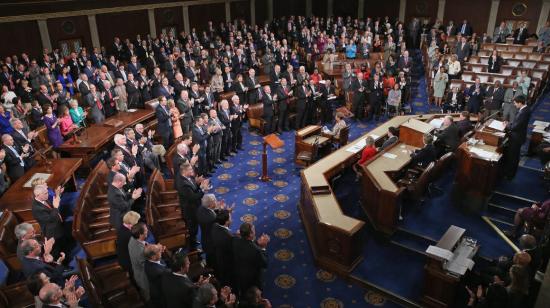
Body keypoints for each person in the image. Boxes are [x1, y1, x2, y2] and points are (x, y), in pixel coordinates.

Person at [177, 162, 210, 248]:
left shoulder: (187, 177)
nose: (192, 170)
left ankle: (194, 240)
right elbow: (193, 197)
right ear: (184, 171)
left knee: (194, 227)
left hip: (193, 206)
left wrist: (199, 184)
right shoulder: (183, 184)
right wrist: (203, 190)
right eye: (190, 169)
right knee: (193, 228)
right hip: (190, 210)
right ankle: (192, 247)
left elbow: (193, 189)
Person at [232, 222, 269, 296]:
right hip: (253, 278)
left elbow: (246, 244)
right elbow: (264, 263)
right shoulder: (256, 251)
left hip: (239, 274)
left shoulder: (235, 240)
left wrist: (256, 243)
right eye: (254, 230)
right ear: (251, 234)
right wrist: (263, 247)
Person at [503, 96, 531, 179]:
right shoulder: (524, 109)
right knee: (513, 156)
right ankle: (509, 172)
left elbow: (516, 127)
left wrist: (507, 125)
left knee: (513, 157)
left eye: (515, 103)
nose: (514, 105)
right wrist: (509, 123)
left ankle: (510, 175)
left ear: (520, 103)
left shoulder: (524, 112)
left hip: (516, 138)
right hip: (517, 136)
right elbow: (517, 122)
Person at [144, 244, 171, 308]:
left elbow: (165, 264)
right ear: (153, 257)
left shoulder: (152, 260)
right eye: (158, 251)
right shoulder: (157, 272)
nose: (161, 251)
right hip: (161, 296)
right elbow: (169, 273)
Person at [128, 222, 150, 301]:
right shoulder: (141, 252)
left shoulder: (133, 238)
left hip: (137, 272)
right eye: (146, 230)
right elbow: (148, 266)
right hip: (144, 279)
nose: (147, 230)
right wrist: (157, 252)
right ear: (140, 235)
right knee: (148, 298)